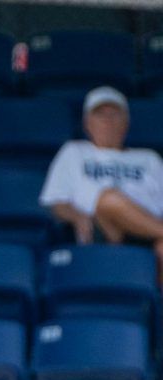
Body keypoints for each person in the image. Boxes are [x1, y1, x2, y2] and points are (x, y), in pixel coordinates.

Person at [40, 85, 163, 282]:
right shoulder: (74, 152)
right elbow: (55, 201)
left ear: (126, 123)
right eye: (100, 115)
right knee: (108, 198)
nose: (108, 121)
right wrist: (77, 216)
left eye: (115, 114)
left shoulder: (149, 158)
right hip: (101, 231)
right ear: (87, 123)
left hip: (147, 232)